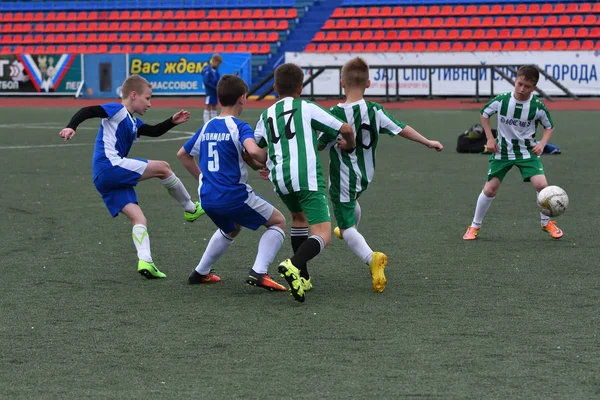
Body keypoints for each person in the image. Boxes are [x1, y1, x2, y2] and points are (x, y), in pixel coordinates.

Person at [58, 74, 205, 279]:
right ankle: (190, 208)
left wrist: (172, 121)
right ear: (133, 95)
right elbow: (88, 110)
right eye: (147, 98)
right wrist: (71, 126)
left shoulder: (132, 121)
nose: (150, 103)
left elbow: (153, 131)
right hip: (110, 166)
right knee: (163, 167)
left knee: (139, 219)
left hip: (105, 178)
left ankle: (146, 261)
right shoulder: (117, 110)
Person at [318, 57, 444, 293]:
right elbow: (401, 128)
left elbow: (320, 145)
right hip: (365, 175)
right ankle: (348, 228)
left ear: (341, 82)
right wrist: (427, 142)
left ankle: (371, 257)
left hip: (343, 178)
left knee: (346, 228)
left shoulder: (334, 112)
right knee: (350, 206)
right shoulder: (374, 110)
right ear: (368, 83)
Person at [254, 63, 356, 303]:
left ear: (275, 87)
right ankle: (294, 263)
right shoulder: (306, 106)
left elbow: (254, 148)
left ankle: (303, 276)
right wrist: (349, 144)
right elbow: (345, 128)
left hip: (280, 177)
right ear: (301, 87)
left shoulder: (266, 113)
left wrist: (263, 165)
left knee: (298, 219)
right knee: (323, 233)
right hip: (306, 175)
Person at [177, 74, 288, 292]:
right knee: (278, 222)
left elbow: (183, 154)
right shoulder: (239, 126)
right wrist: (278, 157)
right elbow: (254, 151)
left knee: (232, 227)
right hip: (233, 196)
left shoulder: (208, 126)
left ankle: (200, 272)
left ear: (219, 99)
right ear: (243, 98)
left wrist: (202, 177)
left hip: (208, 198)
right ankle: (259, 272)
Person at [463, 65, 563, 240]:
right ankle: (474, 226)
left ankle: (546, 223)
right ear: (515, 81)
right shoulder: (502, 100)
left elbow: (549, 127)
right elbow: (484, 113)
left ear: (534, 87)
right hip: (503, 152)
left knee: (542, 185)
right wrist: (490, 138)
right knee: (490, 189)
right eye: (519, 84)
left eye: (527, 86)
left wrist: (543, 144)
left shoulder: (537, 106)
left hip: (527, 152)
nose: (522, 89)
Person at [201, 54, 222, 125]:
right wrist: (215, 88)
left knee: (214, 105)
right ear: (214, 61)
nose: (219, 65)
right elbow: (206, 82)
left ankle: (213, 122)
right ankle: (206, 123)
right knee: (208, 105)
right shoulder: (207, 70)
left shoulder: (215, 71)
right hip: (210, 91)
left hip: (214, 91)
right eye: (218, 63)